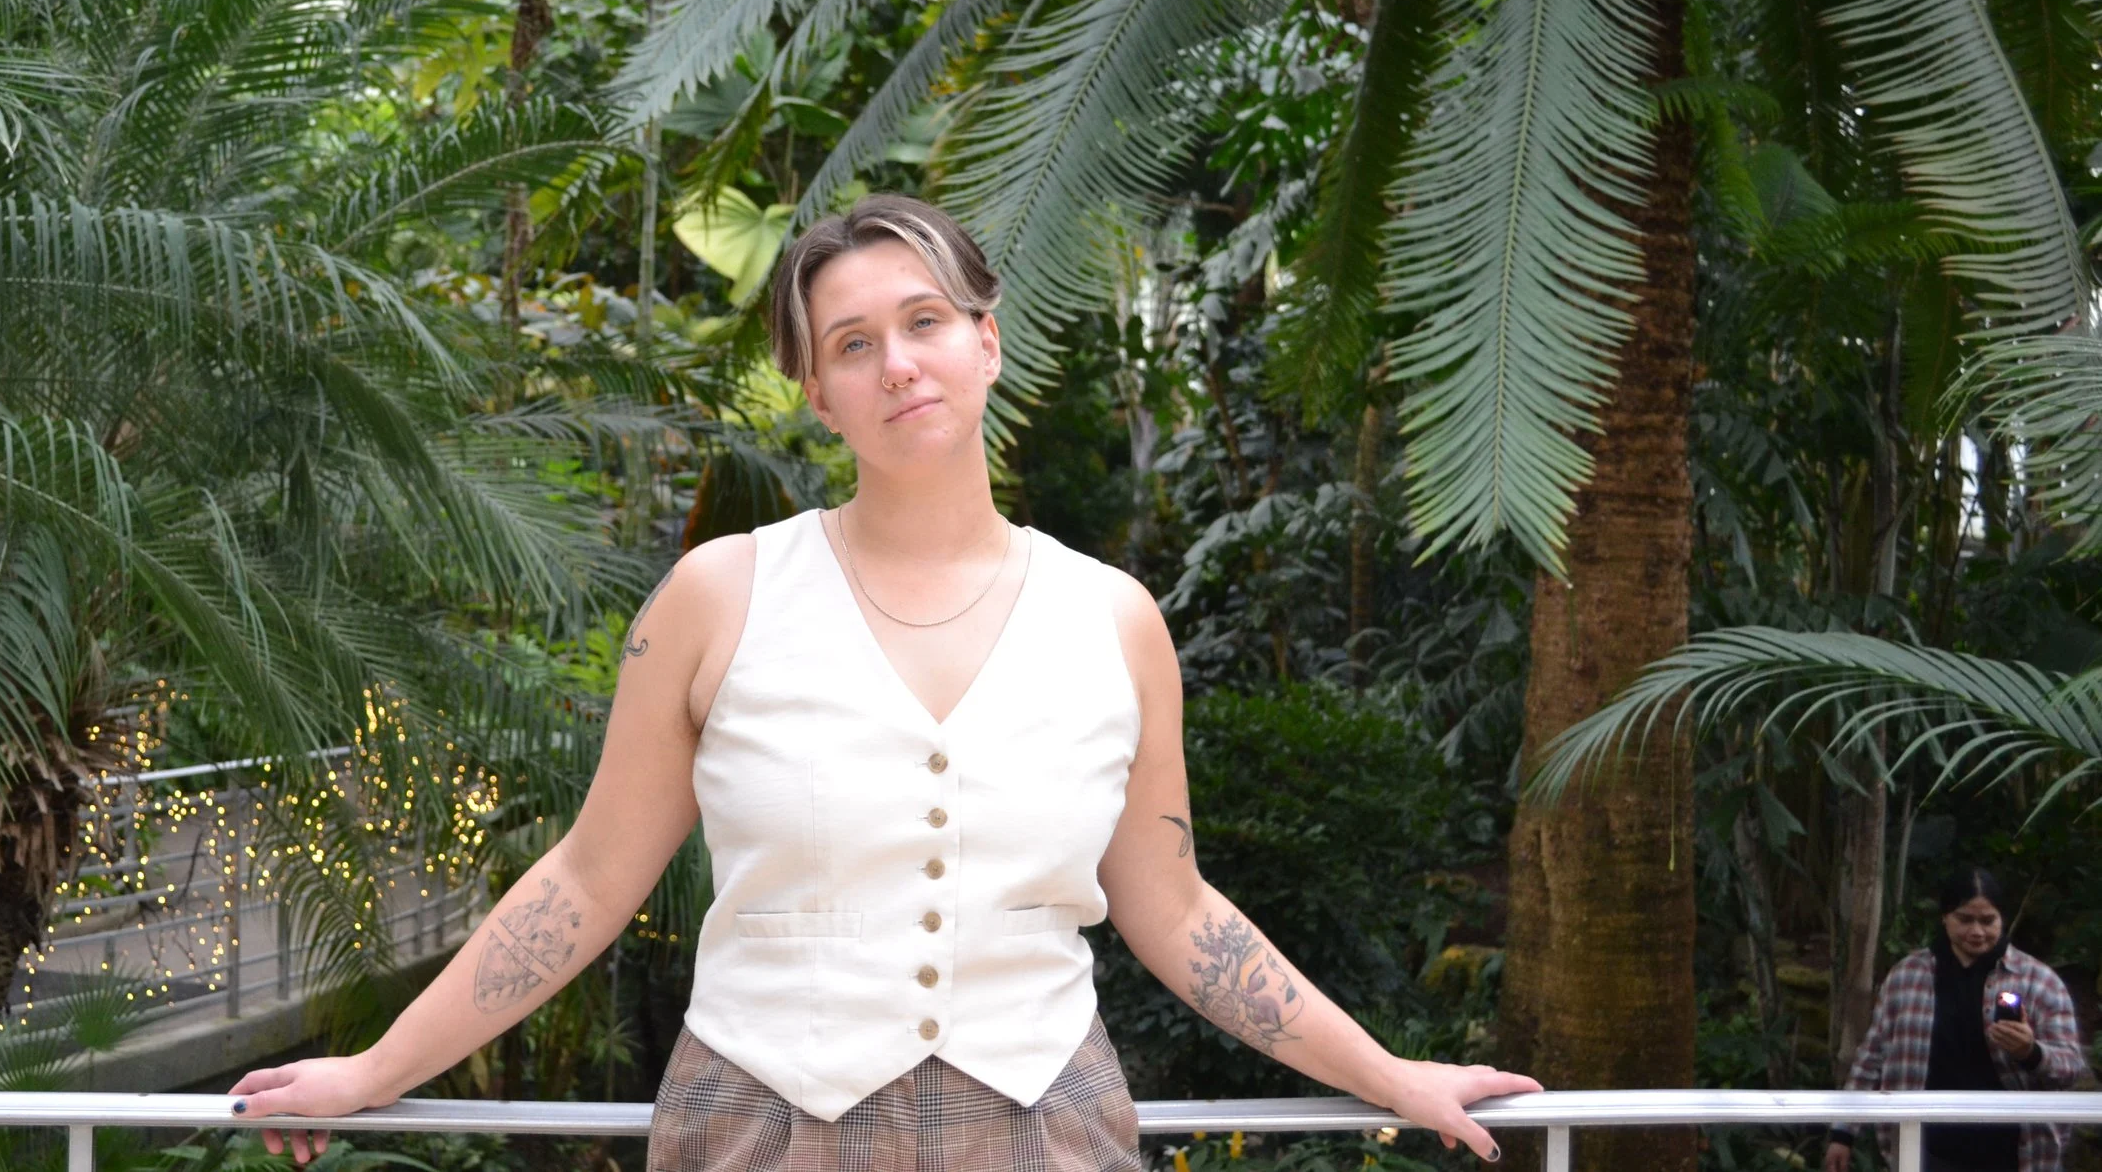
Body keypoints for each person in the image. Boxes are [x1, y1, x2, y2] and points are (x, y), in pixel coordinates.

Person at [228, 194, 1540, 1169]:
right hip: (758, 1124)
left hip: (1046, 1129)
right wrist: (378, 1066)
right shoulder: (717, 596)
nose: (897, 361)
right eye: (851, 343)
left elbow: (1175, 904)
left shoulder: (1114, 616)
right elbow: (586, 877)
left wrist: (1387, 1071)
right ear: (817, 392)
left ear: (987, 342)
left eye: (924, 321)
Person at [1827, 869, 2087, 1172]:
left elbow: (2070, 1068)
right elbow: (1872, 1056)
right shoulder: (1906, 976)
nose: (1977, 931)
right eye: (1965, 920)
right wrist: (1843, 1133)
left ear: (2002, 919)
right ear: (1945, 917)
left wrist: (2031, 1052)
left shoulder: (2039, 981)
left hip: (2015, 1151)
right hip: (1924, 1148)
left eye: (1987, 921)